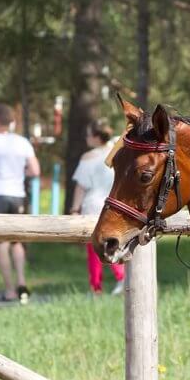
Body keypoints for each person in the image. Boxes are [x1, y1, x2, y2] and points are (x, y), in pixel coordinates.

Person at [0, 103, 40, 303]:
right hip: (17, 194)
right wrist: (21, 174)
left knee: (1, 242)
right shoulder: (22, 143)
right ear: (12, 121)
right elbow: (35, 171)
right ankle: (22, 284)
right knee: (17, 241)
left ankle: (9, 290)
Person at [72, 119, 126, 295]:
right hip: (114, 204)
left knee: (95, 250)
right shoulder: (117, 151)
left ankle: (96, 287)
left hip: (93, 206)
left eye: (88, 135)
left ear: (95, 137)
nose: (86, 138)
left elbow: (81, 187)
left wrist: (74, 209)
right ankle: (122, 277)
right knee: (114, 244)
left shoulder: (87, 158)